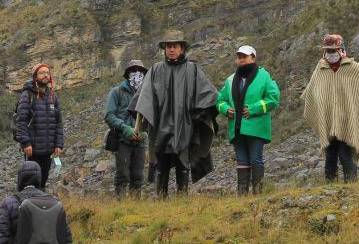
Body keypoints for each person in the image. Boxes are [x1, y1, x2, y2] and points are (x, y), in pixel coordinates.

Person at [132, 30, 219, 198]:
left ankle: (182, 198)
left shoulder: (192, 70)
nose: (171, 49)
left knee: (183, 162)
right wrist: (139, 127)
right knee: (161, 163)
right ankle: (161, 198)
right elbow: (143, 98)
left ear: (182, 49)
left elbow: (210, 95)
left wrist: (200, 114)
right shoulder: (156, 70)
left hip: (184, 126)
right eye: (168, 46)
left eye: (175, 46)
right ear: (164, 49)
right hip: (161, 126)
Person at [302, 34, 359, 183]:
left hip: (347, 123)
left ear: (341, 49)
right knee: (330, 158)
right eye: (328, 50)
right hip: (328, 123)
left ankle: (351, 187)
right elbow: (311, 92)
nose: (330, 53)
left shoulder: (352, 67)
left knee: (346, 157)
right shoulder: (320, 69)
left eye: (333, 50)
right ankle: (330, 188)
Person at [216, 45, 280, 195]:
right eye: (239, 57)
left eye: (244, 56)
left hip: (256, 128)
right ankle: (242, 196)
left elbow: (273, 98)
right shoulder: (230, 80)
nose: (241, 59)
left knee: (256, 159)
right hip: (237, 128)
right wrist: (225, 109)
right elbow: (220, 100)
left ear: (253, 58)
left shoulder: (264, 76)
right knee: (242, 161)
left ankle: (258, 194)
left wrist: (254, 108)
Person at [13, 64, 64, 190]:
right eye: (41, 73)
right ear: (35, 76)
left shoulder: (52, 96)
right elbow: (21, 121)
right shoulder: (27, 95)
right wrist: (26, 143)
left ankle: (41, 201)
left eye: (47, 73)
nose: (45, 75)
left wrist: (59, 144)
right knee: (30, 183)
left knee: (42, 183)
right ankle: (25, 202)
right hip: (33, 150)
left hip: (48, 150)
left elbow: (58, 123)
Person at [104, 59, 149, 197]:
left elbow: (152, 117)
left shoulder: (147, 95)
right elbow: (109, 115)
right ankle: (121, 203)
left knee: (138, 176)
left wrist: (145, 132)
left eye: (140, 71)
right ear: (127, 73)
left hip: (140, 142)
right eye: (133, 71)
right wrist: (125, 128)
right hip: (122, 140)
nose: (137, 74)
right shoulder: (117, 92)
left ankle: (135, 204)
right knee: (122, 174)